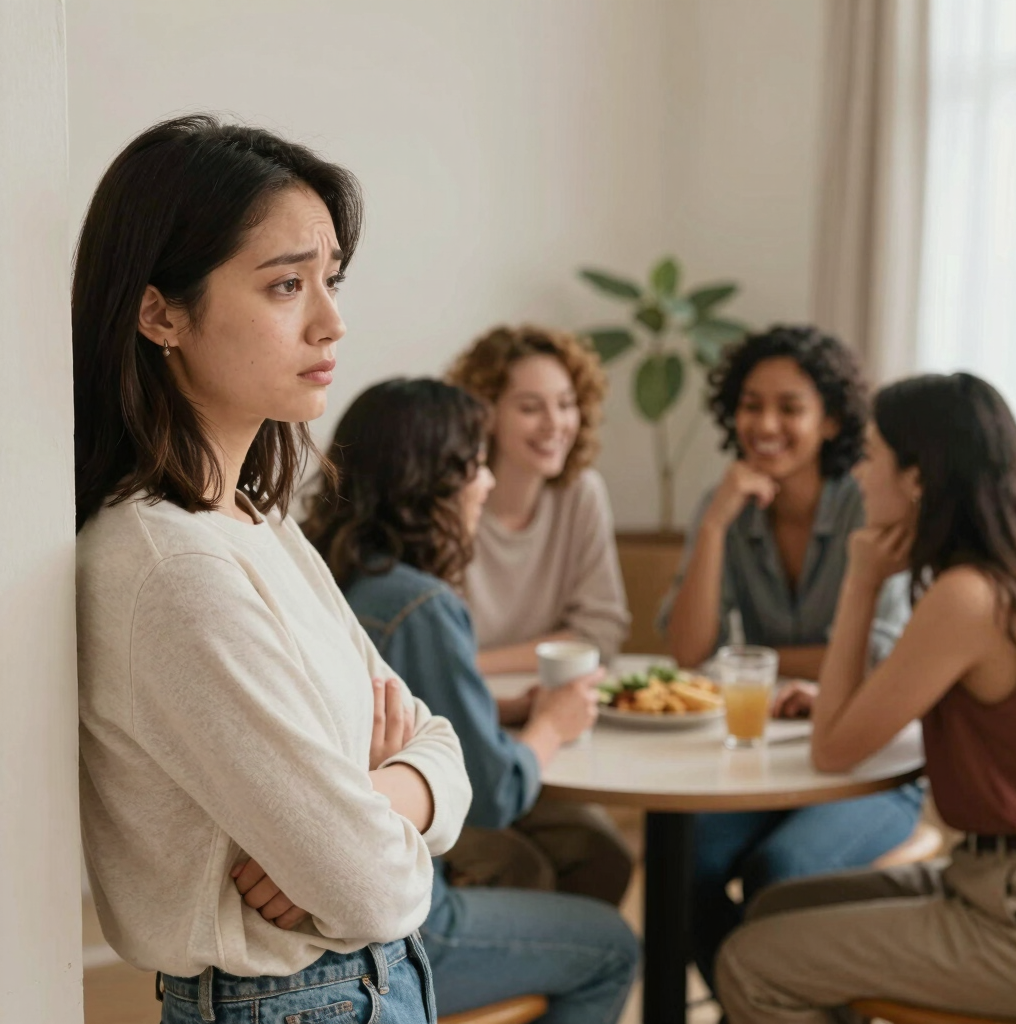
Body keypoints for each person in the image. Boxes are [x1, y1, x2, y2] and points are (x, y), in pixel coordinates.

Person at [75, 115, 471, 1024]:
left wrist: (383, 794)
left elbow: (440, 745)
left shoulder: (255, 523)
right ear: (159, 313)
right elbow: (371, 887)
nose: (332, 320)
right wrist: (368, 830)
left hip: (362, 984)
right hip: (299, 1001)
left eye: (329, 280)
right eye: (287, 285)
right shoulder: (171, 568)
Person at [303, 378, 639, 1022]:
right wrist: (551, 725)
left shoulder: (328, 568)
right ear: (435, 481)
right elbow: (489, 795)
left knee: (586, 854)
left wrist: (504, 710)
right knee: (614, 944)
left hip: (337, 886)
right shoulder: (422, 604)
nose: (486, 482)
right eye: (477, 464)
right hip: (403, 916)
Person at [718, 372, 1016, 1022]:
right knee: (774, 907)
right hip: (983, 876)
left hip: (1010, 913)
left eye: (872, 453)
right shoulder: (996, 577)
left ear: (917, 478)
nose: (857, 472)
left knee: (750, 961)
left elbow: (833, 748)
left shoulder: (967, 597)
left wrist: (859, 582)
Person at [658, 326, 921, 991]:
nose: (764, 424)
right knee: (681, 863)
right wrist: (715, 523)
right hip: (767, 758)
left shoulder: (872, 501)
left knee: (784, 870)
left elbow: (878, 658)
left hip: (874, 766)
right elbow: (690, 653)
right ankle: (754, 1003)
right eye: (751, 404)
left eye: (789, 407)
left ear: (831, 420)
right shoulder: (729, 507)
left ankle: (767, 1001)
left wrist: (754, 660)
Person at [447, 324, 630, 675]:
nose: (555, 424)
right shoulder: (451, 501)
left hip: (551, 697)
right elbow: (433, 644)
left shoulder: (582, 494)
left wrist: (472, 665)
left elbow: (601, 634)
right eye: (530, 408)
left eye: (566, 404)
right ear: (485, 415)